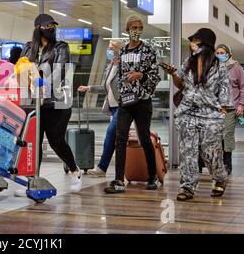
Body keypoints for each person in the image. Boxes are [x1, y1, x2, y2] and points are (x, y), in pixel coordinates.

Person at [16, 13, 81, 196]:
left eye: (53, 26)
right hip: (33, 103)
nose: (51, 29)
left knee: (56, 141)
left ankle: (74, 170)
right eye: (47, 26)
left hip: (56, 102)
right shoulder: (28, 47)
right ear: (38, 28)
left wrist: (41, 82)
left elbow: (60, 70)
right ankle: (33, 180)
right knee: (33, 142)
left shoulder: (61, 47)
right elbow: (20, 68)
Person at [164, 28, 231, 201]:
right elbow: (180, 84)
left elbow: (224, 90)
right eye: (192, 41)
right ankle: (187, 186)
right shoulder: (188, 62)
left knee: (210, 152)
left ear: (206, 44)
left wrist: (223, 111)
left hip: (210, 114)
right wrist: (172, 74)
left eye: (196, 41)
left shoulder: (219, 66)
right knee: (187, 151)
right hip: (188, 113)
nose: (193, 44)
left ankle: (220, 178)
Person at [104, 15, 161, 194]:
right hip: (126, 101)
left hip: (143, 101)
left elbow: (155, 76)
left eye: (140, 27)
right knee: (120, 139)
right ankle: (119, 179)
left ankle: (152, 176)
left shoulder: (148, 50)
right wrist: (124, 84)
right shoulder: (122, 52)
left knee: (144, 138)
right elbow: (119, 75)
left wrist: (140, 76)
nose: (137, 30)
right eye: (133, 27)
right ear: (127, 30)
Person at [78, 39, 125, 177]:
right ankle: (105, 169)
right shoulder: (110, 66)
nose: (108, 50)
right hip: (114, 108)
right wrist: (89, 88)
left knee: (110, 134)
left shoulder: (124, 66)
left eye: (111, 48)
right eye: (109, 47)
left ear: (118, 50)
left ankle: (103, 168)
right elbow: (106, 87)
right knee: (114, 137)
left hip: (123, 106)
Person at [215, 44, 244, 175]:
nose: (219, 54)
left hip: (231, 108)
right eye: (217, 52)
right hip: (216, 108)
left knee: (227, 135)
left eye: (222, 52)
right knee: (216, 136)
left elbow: (243, 87)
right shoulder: (214, 68)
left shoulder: (236, 68)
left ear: (228, 53)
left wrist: (241, 105)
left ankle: (228, 163)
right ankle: (218, 163)